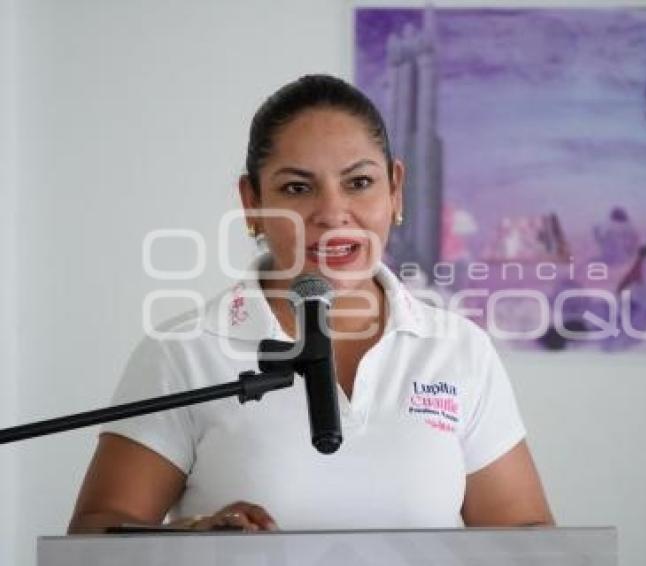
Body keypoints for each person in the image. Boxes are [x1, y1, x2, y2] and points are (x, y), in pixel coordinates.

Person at [68, 75, 554, 533]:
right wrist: (193, 539)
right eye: (297, 188)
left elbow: (529, 540)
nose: (332, 213)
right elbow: (94, 533)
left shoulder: (459, 349)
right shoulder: (182, 351)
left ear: (396, 189)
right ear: (252, 203)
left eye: (359, 183)